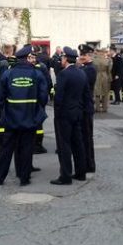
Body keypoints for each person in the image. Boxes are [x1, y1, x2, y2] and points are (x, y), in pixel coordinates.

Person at [0, 46, 48, 186]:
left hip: (11, 119)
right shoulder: (37, 74)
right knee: (26, 149)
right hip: (30, 118)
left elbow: (0, 98)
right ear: (27, 58)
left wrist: (3, 114)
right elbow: (43, 97)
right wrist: (37, 112)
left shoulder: (8, 74)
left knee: (6, 149)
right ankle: (24, 178)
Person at [51, 47, 89, 185]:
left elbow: (59, 97)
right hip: (77, 113)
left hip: (65, 114)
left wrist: (57, 114)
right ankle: (81, 173)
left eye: (62, 58)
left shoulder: (63, 75)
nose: (61, 60)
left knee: (64, 145)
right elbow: (86, 95)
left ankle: (65, 176)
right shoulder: (81, 73)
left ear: (66, 59)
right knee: (78, 143)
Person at [78, 44, 96, 173]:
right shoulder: (84, 68)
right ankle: (85, 163)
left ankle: (89, 165)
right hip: (82, 106)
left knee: (87, 137)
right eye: (81, 55)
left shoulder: (90, 69)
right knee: (83, 137)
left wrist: (78, 67)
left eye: (84, 55)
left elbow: (82, 82)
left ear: (89, 56)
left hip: (86, 107)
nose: (81, 57)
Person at [93, 48, 112, 113]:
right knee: (105, 92)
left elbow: (93, 69)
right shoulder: (107, 60)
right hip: (105, 76)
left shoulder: (94, 60)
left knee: (97, 92)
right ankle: (104, 108)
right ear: (104, 53)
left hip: (97, 75)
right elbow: (109, 70)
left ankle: (97, 108)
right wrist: (110, 78)